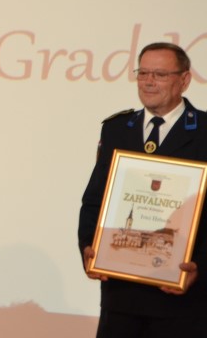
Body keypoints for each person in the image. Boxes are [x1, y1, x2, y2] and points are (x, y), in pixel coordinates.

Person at [78, 42, 207, 336]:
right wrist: (88, 246)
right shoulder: (116, 128)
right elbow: (95, 199)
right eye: (143, 73)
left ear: (184, 80)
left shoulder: (204, 131)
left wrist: (201, 267)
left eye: (160, 74)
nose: (149, 82)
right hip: (121, 297)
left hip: (184, 300)